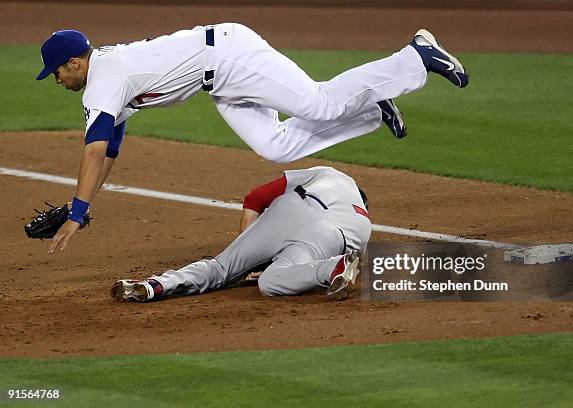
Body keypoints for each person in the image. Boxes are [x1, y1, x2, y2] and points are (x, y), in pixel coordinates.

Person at [35, 24, 468, 254]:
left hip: (230, 56)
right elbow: (109, 148)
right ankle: (372, 106)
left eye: (55, 72)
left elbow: (92, 150)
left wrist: (77, 211)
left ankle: (415, 56)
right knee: (275, 146)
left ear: (74, 63)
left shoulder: (103, 81)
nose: (55, 81)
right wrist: (85, 207)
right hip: (219, 77)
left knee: (317, 104)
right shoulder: (109, 76)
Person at [111, 166, 371, 301]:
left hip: (297, 207)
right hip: (332, 239)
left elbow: (256, 198)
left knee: (221, 268)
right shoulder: (364, 226)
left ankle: (155, 285)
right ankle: (333, 268)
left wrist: (248, 250)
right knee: (270, 283)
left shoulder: (330, 174)